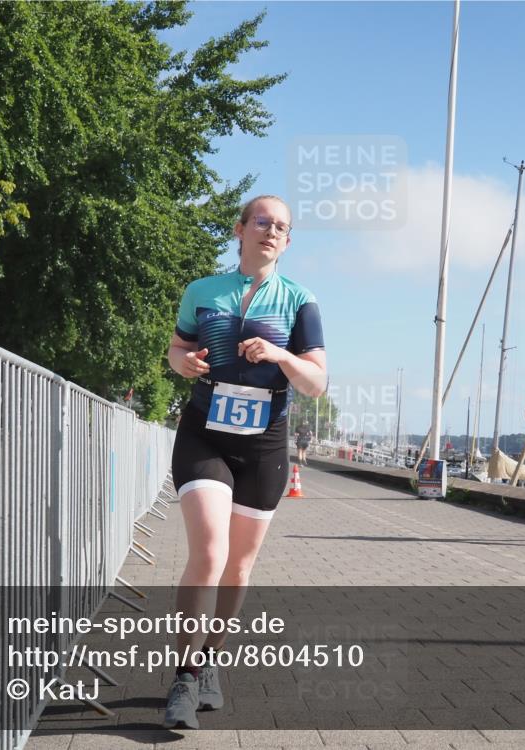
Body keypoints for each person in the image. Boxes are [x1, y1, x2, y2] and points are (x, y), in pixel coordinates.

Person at [163, 195, 328, 728]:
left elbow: (317, 383)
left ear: (288, 239)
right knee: (209, 554)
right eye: (263, 221)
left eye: (282, 226)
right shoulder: (203, 291)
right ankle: (185, 678)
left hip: (262, 444)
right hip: (204, 434)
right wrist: (183, 362)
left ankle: (211, 660)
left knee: (238, 566)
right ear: (240, 229)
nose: (272, 231)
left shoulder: (300, 301)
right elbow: (176, 350)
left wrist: (282, 355)